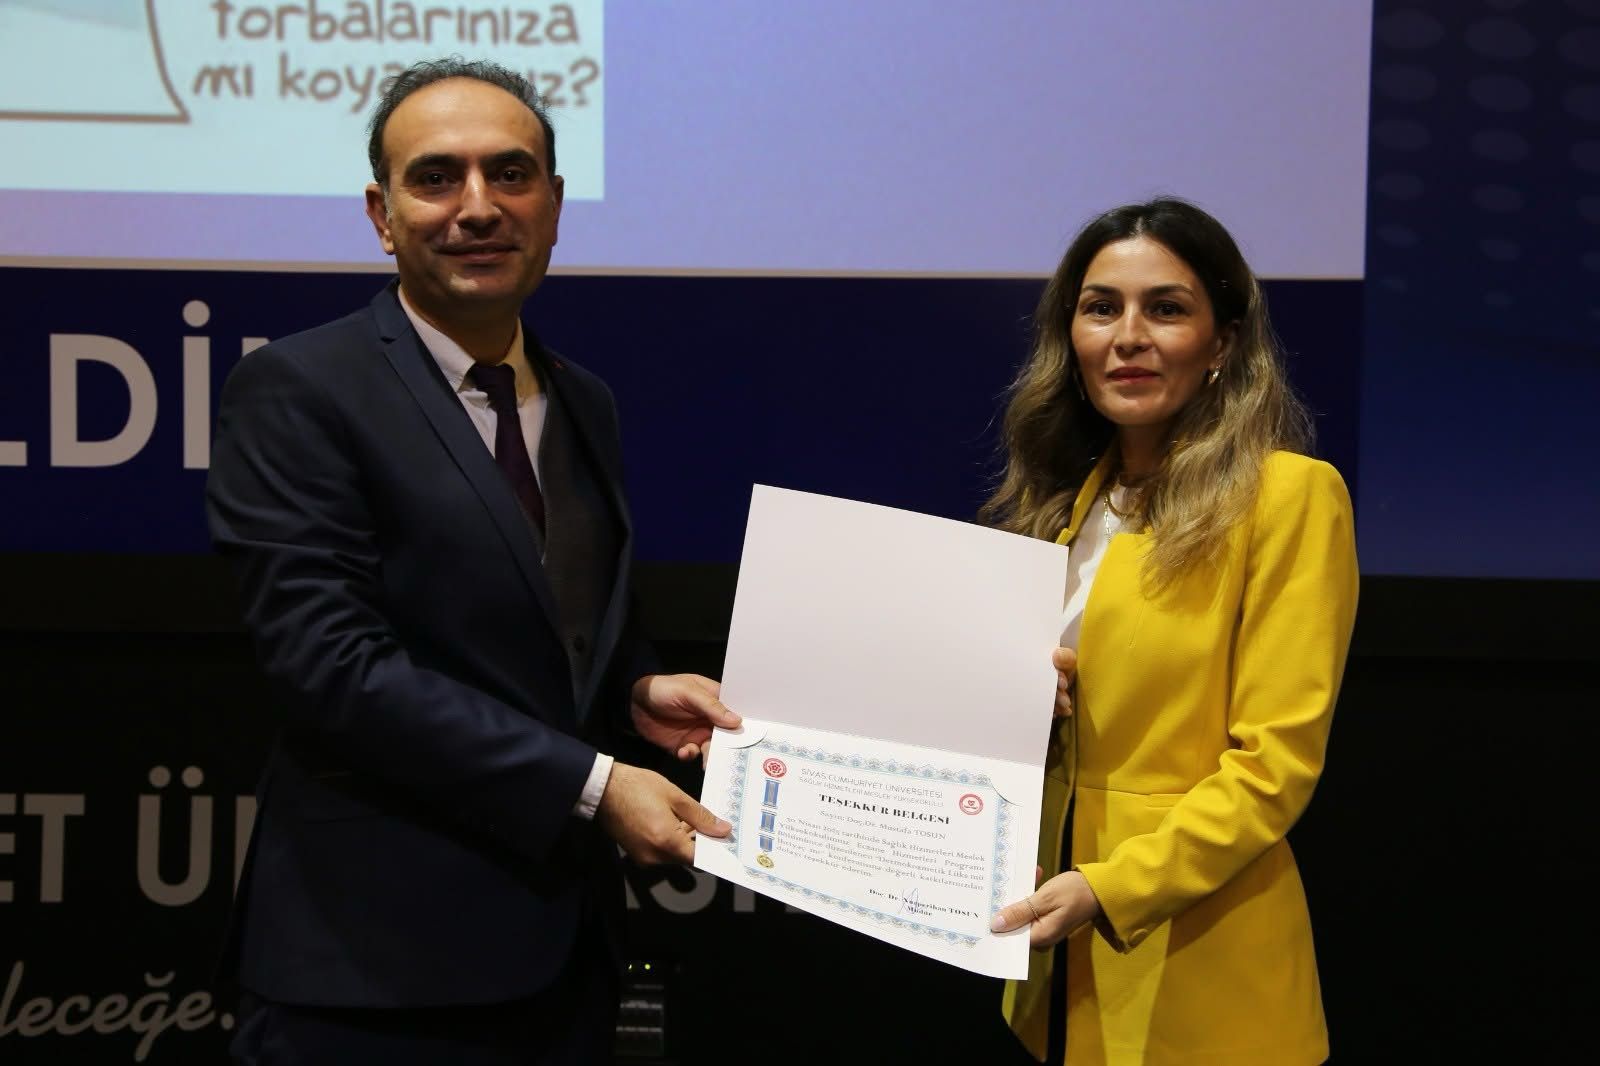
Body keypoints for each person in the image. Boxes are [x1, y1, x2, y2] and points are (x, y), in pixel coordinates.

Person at [206, 58, 736, 1065]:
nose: (479, 206)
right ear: (382, 213)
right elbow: (331, 669)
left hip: (567, 958)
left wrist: (635, 692)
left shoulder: (583, 399)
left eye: (511, 173)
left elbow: (553, 628)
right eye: (437, 177)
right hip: (373, 976)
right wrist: (596, 784)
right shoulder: (298, 388)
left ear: (555, 203)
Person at [984, 199, 1358, 1064]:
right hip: (1054, 966)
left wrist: (1110, 889)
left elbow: (1273, 768)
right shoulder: (1057, 508)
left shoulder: (1291, 497)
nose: (1129, 337)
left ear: (1222, 343)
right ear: (1071, 338)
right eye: (1101, 308)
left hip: (1199, 965)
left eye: (1166, 308)